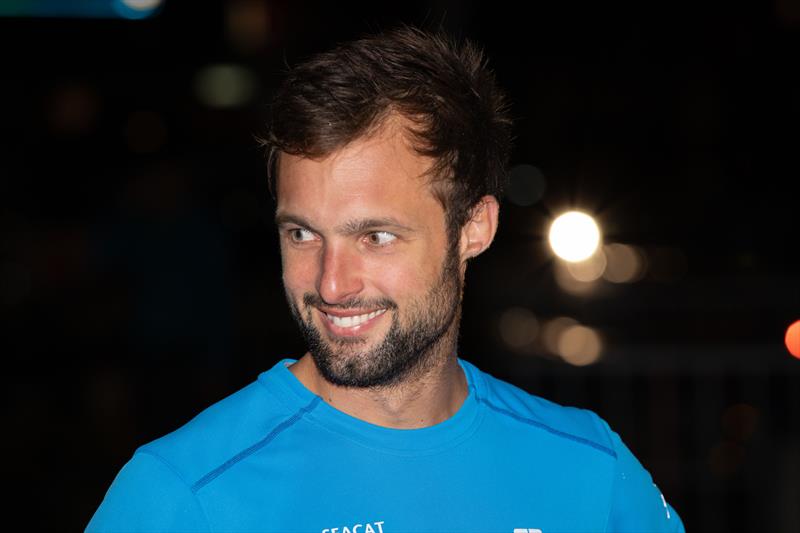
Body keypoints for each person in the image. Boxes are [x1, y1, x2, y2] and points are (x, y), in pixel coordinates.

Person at [87, 26, 684, 532]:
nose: (331, 284)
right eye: (302, 234)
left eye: (375, 237)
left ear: (474, 228)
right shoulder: (181, 497)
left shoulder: (591, 473)